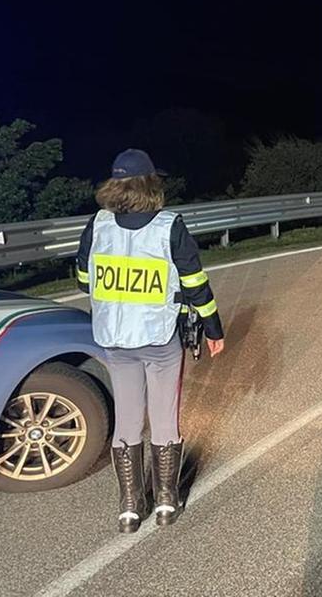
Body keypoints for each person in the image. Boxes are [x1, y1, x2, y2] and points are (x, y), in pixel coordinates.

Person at [75, 148, 225, 532]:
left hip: (114, 340)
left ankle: (128, 508)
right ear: (151, 184)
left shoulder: (99, 224)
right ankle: (165, 502)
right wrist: (213, 328)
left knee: (127, 421)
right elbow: (194, 283)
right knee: (163, 418)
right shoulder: (168, 226)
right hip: (159, 341)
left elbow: (83, 279)